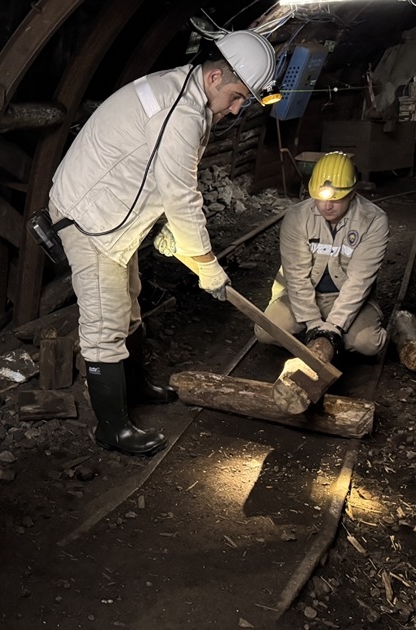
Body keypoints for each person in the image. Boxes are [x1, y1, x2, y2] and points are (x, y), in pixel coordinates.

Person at [46, 29, 277, 456]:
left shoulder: (186, 91)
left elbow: (154, 172)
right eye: (238, 97)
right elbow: (182, 197)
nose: (238, 108)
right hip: (91, 217)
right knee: (104, 325)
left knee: (129, 301)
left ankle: (133, 387)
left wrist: (161, 227)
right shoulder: (182, 114)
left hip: (115, 211)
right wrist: (207, 263)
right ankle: (112, 429)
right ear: (214, 78)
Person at [254, 151, 389, 357]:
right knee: (265, 331)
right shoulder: (297, 217)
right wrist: (313, 323)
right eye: (320, 198)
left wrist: (334, 326)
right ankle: (312, 336)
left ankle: (335, 337)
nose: (327, 206)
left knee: (369, 344)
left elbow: (359, 281)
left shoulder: (373, 221)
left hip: (345, 296)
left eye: (336, 200)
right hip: (302, 294)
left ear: (352, 193)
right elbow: (296, 275)